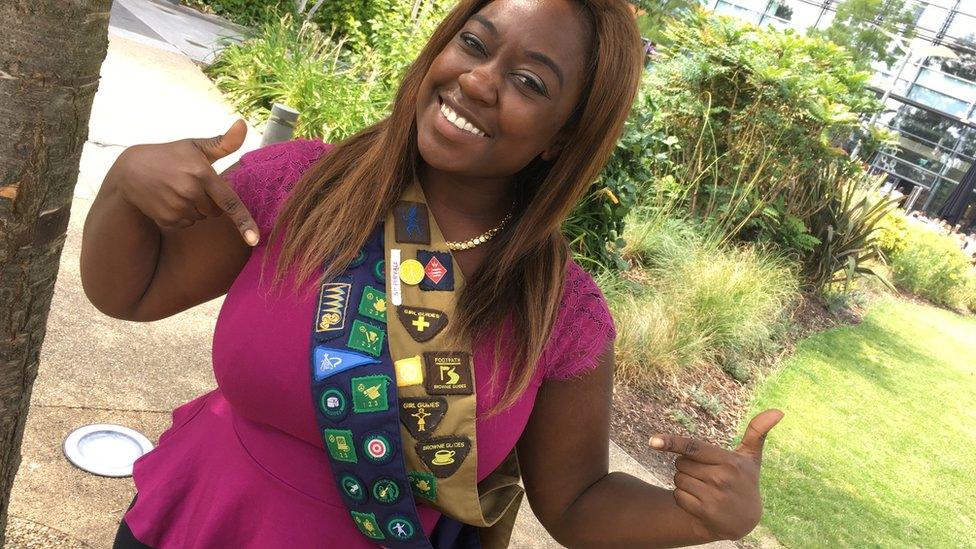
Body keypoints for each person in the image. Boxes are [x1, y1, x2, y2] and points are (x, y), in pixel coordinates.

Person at [82, 0, 782, 547]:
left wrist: (700, 517)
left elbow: (575, 503)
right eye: (474, 43)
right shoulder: (302, 187)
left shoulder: (559, 313)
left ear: (563, 136)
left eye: (529, 82)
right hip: (193, 522)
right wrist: (125, 186)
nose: (478, 81)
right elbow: (129, 291)